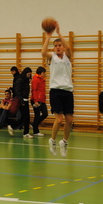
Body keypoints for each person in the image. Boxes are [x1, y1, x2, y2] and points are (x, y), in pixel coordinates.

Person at [41, 21, 74, 157]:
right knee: (59, 119)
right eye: (55, 46)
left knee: (69, 120)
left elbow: (69, 47)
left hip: (68, 91)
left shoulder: (67, 57)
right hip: (56, 91)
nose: (58, 47)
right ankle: (53, 140)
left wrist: (59, 33)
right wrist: (49, 36)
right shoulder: (52, 57)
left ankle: (64, 142)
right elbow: (43, 52)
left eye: (59, 45)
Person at [14, 67, 32, 138]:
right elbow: (17, 91)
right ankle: (13, 126)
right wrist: (21, 101)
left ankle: (26, 132)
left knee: (27, 117)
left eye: (30, 74)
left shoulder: (26, 80)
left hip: (26, 100)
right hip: (21, 100)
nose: (29, 75)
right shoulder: (20, 80)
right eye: (28, 74)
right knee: (24, 117)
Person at [31, 66, 48, 137]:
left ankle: (34, 124)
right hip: (36, 100)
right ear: (41, 73)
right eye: (44, 73)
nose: (45, 74)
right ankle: (36, 131)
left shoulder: (42, 80)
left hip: (42, 100)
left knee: (45, 114)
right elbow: (34, 90)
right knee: (37, 115)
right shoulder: (35, 79)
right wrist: (36, 100)